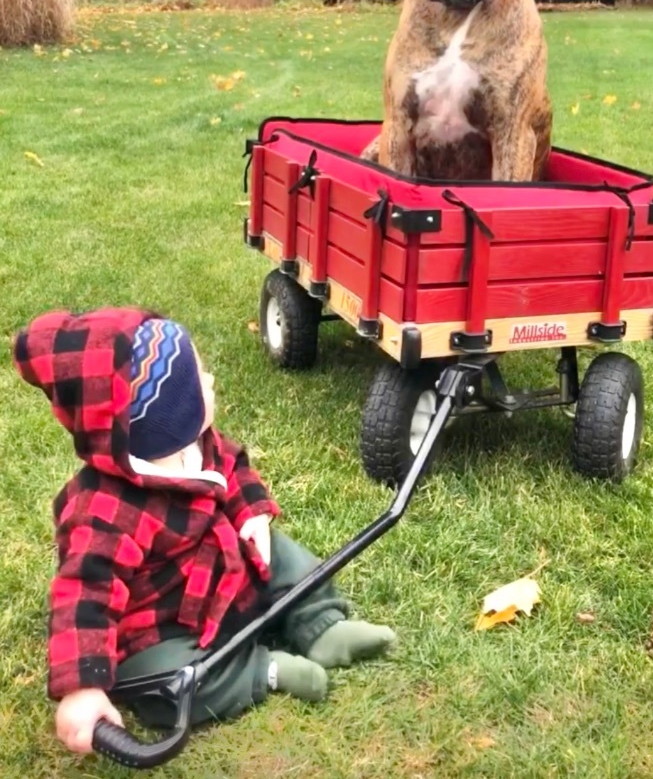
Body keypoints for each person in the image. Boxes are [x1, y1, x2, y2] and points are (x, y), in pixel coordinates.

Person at [13, 307, 396, 756]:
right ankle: (262, 670)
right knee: (161, 684)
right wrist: (81, 688)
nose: (211, 380)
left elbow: (233, 466)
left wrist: (252, 513)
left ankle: (323, 625)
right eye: (199, 377)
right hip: (164, 627)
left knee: (285, 556)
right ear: (168, 415)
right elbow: (83, 597)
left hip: (224, 572)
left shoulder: (196, 445)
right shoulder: (102, 513)